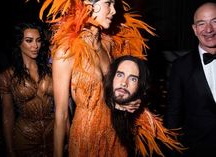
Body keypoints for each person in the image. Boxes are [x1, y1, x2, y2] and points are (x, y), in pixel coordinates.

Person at [35, 0, 155, 156]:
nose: (114, 11)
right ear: (88, 5)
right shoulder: (65, 52)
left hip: (114, 135)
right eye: (108, 3)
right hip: (85, 138)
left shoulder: (108, 45)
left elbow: (109, 94)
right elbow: (61, 114)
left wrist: (125, 103)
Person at [104, 55, 184, 157]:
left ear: (140, 86)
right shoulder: (96, 107)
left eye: (133, 79)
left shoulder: (145, 125)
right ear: (112, 77)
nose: (124, 83)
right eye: (120, 75)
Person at [165, 2, 216, 157]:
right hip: (197, 150)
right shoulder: (181, 67)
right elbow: (173, 115)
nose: (209, 29)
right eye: (202, 24)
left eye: (215, 21)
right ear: (195, 29)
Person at [0, 22, 54, 157]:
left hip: (53, 135)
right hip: (24, 139)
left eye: (38, 40)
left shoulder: (51, 71)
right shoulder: (7, 76)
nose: (35, 46)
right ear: (19, 43)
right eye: (29, 41)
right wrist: (10, 150)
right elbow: (8, 116)